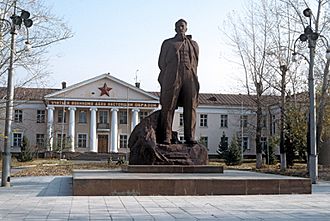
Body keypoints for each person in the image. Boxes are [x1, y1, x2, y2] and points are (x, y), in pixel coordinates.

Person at [158, 19, 199, 145]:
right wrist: (171, 71)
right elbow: (161, 63)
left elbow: (196, 62)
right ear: (175, 29)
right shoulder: (168, 43)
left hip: (189, 75)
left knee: (190, 106)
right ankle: (167, 135)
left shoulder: (193, 44)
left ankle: (189, 136)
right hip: (173, 75)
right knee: (168, 105)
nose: (180, 28)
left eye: (183, 26)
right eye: (178, 26)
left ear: (186, 28)